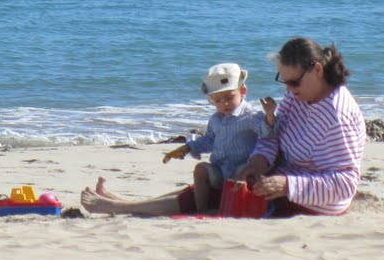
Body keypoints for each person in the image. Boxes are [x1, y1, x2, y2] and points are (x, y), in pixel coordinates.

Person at [81, 62, 274, 216]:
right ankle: (200, 209)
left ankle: (115, 205)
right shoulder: (216, 119)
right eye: (218, 100)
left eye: (229, 98)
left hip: (239, 172)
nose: (224, 104)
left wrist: (270, 115)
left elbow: (267, 131)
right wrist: (188, 148)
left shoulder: (250, 116)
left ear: (243, 92)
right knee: (199, 171)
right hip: (219, 170)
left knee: (187, 197)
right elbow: (209, 140)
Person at [239, 37, 365, 216]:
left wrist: (287, 185)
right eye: (285, 82)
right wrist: (260, 160)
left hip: (315, 202)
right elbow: (274, 133)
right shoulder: (299, 95)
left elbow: (345, 184)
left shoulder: (337, 118)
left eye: (294, 82)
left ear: (318, 70)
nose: (289, 89)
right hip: (283, 177)